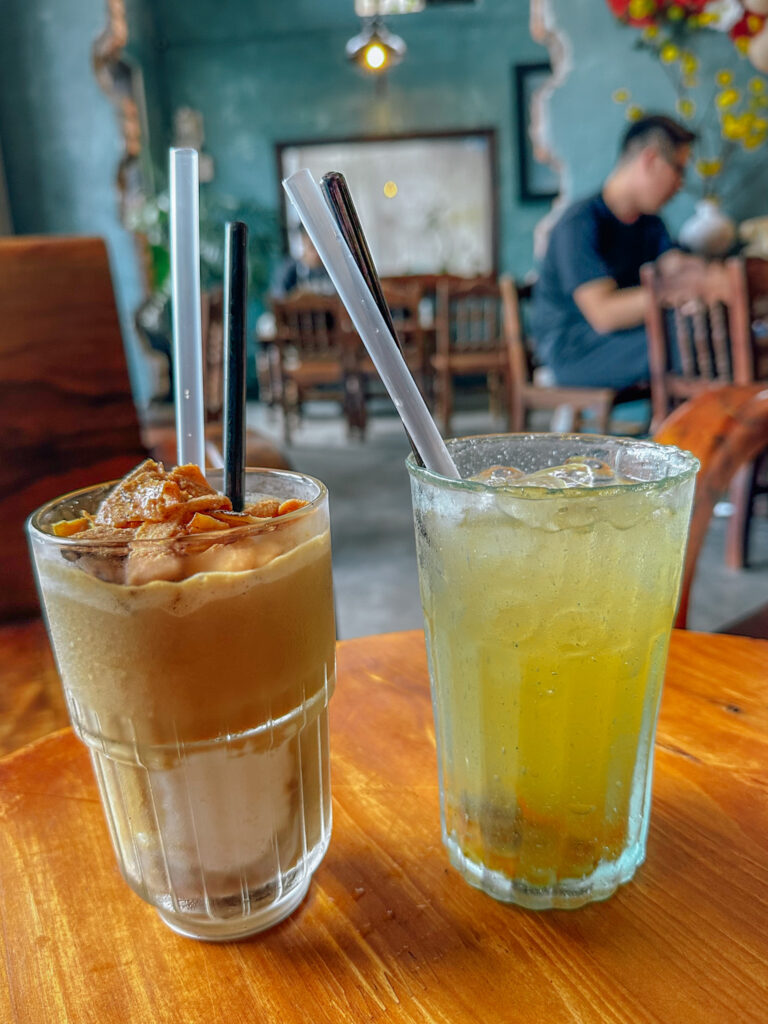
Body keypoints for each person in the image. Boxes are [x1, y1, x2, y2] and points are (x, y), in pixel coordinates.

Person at [531, 114, 697, 389]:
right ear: (650, 160)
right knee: (691, 340)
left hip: (622, 340)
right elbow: (605, 315)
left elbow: (674, 265)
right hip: (574, 350)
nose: (681, 183)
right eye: (678, 169)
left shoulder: (650, 223)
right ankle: (682, 429)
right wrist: (683, 291)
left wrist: (701, 277)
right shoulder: (580, 223)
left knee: (700, 331)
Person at [270, 226, 333, 298]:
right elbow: (279, 301)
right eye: (312, 246)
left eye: (321, 247)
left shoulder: (333, 271)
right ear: (303, 242)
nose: (317, 253)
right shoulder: (290, 271)